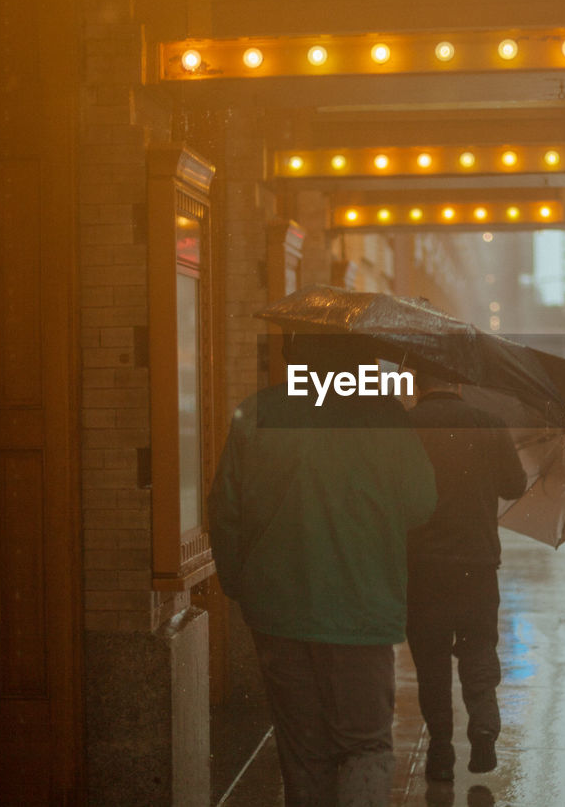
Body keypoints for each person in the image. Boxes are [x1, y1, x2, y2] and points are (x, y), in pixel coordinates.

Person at [208, 333, 438, 806]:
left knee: (302, 749)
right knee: (364, 743)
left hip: (278, 612)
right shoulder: (385, 417)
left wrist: (241, 585)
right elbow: (421, 503)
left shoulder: (258, 412)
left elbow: (225, 511)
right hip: (363, 611)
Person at [405, 372, 528, 781]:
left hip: (422, 565)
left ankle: (440, 746)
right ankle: (485, 723)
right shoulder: (488, 423)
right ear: (458, 383)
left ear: (416, 380)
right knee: (478, 647)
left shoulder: (406, 426)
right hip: (477, 562)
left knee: (431, 659)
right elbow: (514, 484)